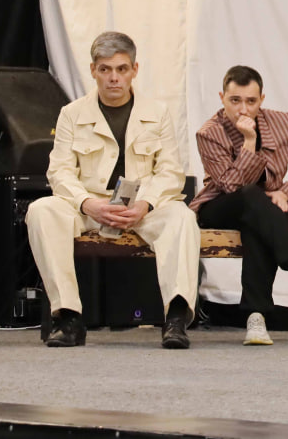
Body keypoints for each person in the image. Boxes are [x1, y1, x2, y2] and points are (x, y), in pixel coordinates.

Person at [26, 31, 200, 349]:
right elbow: (59, 171)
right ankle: (68, 318)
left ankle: (175, 319)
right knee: (41, 210)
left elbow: (170, 171)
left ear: (134, 70)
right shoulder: (71, 114)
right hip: (90, 205)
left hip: (142, 206)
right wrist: (87, 203)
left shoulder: (157, 113)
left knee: (182, 217)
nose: (113, 78)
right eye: (105, 69)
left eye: (121, 69)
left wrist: (146, 204)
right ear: (93, 70)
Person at [188, 65, 288, 346]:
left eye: (251, 101)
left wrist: (287, 194)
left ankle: (256, 319)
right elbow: (230, 186)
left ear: (262, 100)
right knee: (251, 196)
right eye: (235, 100)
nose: (243, 109)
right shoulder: (208, 132)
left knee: (258, 222)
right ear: (222, 97)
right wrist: (249, 141)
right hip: (221, 205)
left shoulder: (283, 123)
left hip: (268, 209)